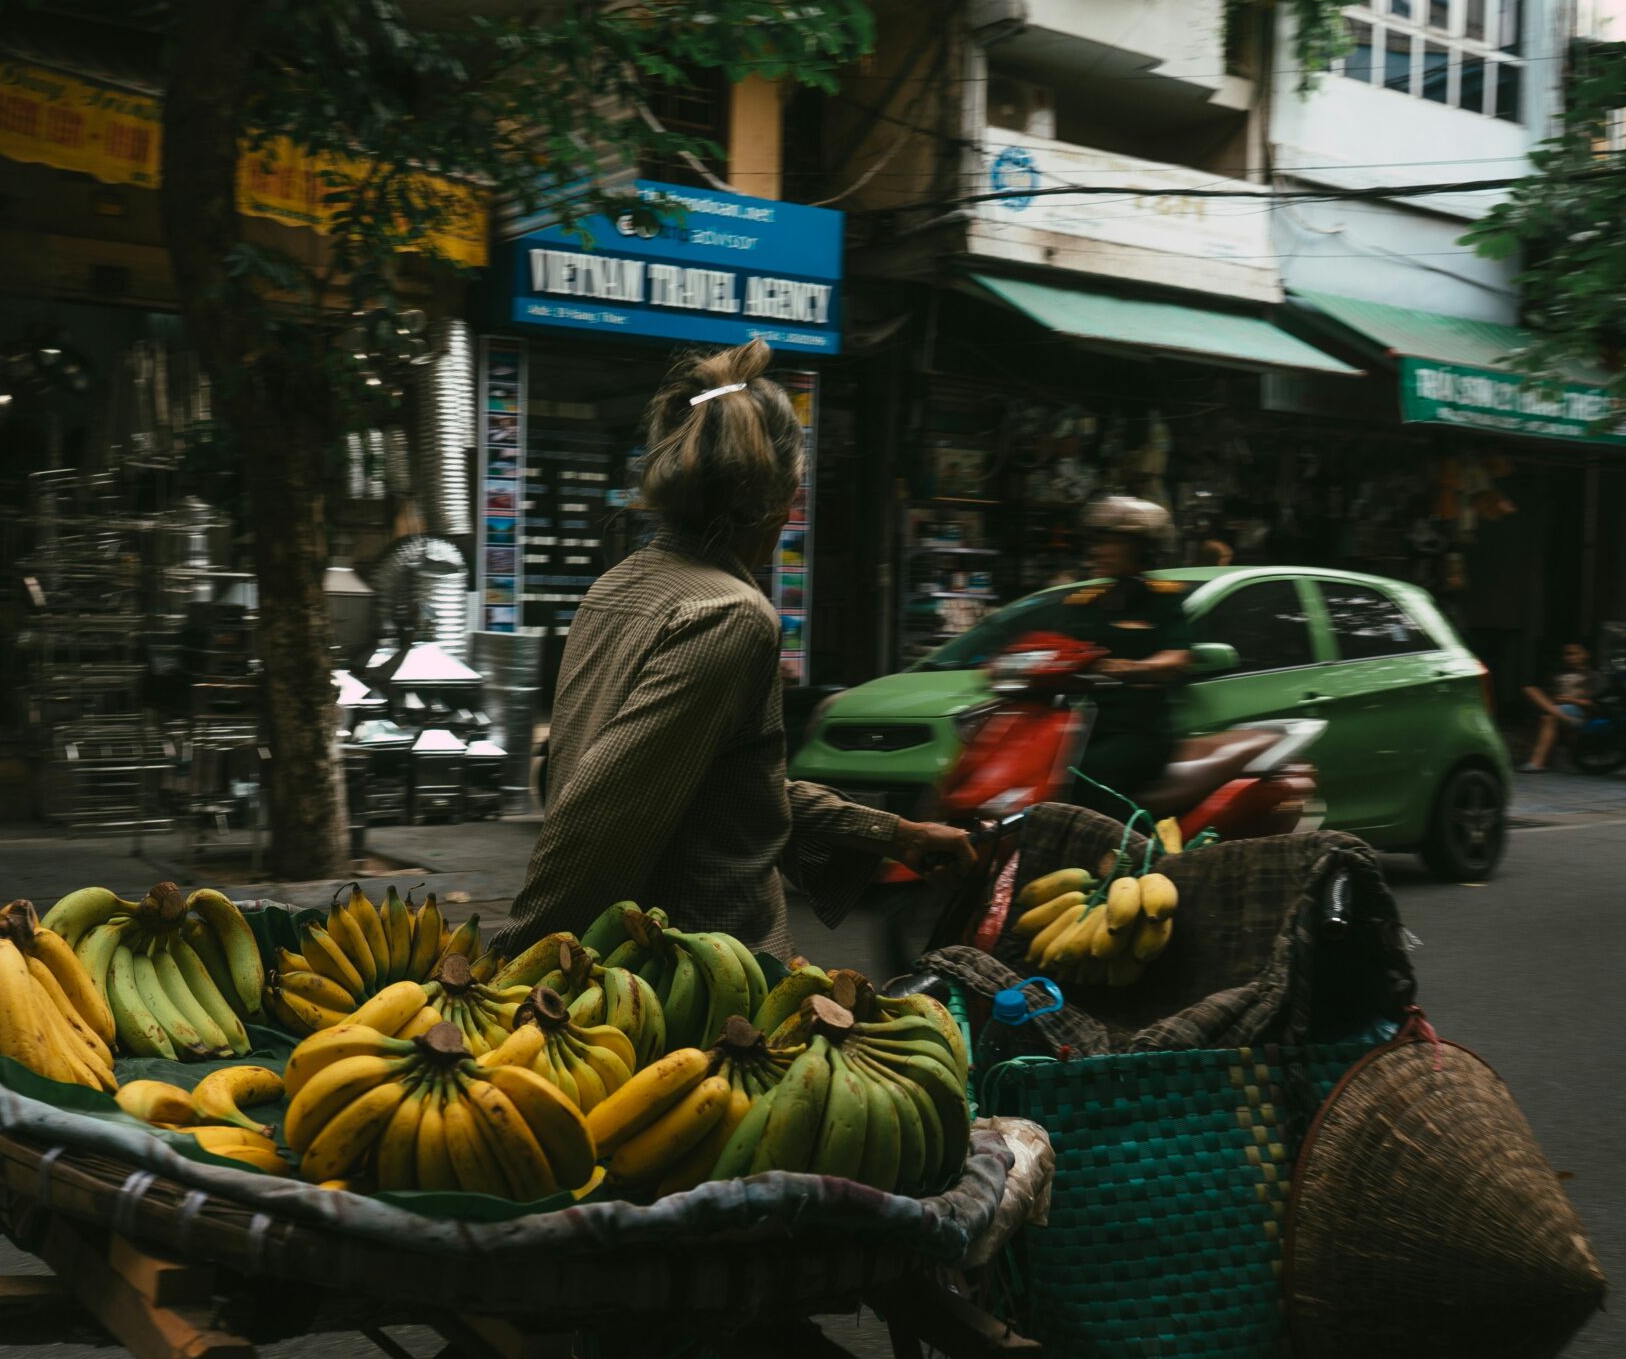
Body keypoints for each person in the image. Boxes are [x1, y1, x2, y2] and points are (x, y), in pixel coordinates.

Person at [501, 339, 977, 958]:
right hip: (697, 977)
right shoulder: (732, 617)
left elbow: (714, 784)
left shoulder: (616, 586)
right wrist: (513, 967)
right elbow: (601, 815)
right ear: (782, 502)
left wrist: (891, 833)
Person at [1055, 496, 1195, 819]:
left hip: (1143, 733)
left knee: (1090, 775)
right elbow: (1056, 650)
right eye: (1097, 542)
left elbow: (1177, 658)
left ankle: (1132, 854)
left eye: (1111, 542)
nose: (1098, 551)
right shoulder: (1083, 603)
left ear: (1141, 548)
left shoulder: (1163, 600)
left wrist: (1132, 668)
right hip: (1089, 728)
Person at [1520, 642, 1598, 772]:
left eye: (1573, 654)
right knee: (1529, 689)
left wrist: (1568, 699)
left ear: (1585, 654)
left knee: (1548, 717)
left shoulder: (1593, 675)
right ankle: (1565, 719)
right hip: (1557, 708)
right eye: (1566, 654)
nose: (1568, 657)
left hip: (1577, 710)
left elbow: (1594, 703)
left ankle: (1536, 763)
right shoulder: (1557, 674)